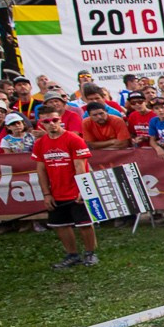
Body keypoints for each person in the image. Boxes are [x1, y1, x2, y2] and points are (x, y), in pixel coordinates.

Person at [31, 108, 98, 269]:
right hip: (56, 192)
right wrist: (46, 194)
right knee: (60, 225)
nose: (51, 124)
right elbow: (40, 170)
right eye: (46, 122)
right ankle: (72, 255)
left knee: (84, 224)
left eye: (54, 120)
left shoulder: (73, 139)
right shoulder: (40, 143)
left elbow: (80, 166)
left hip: (75, 191)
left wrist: (82, 189)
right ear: (41, 123)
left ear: (60, 120)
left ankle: (90, 253)